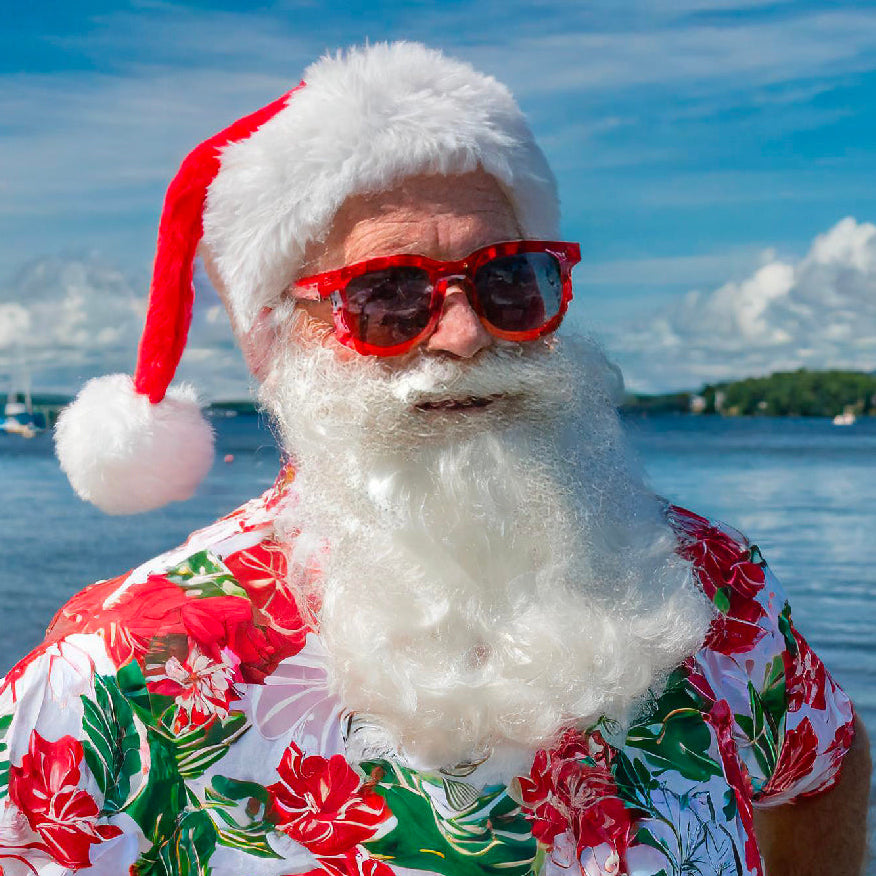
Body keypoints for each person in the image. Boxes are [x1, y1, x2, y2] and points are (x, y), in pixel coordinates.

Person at [0, 42, 868, 876]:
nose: (463, 332)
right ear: (276, 340)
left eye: (508, 280)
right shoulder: (122, 671)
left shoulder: (717, 580)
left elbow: (823, 765)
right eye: (387, 295)